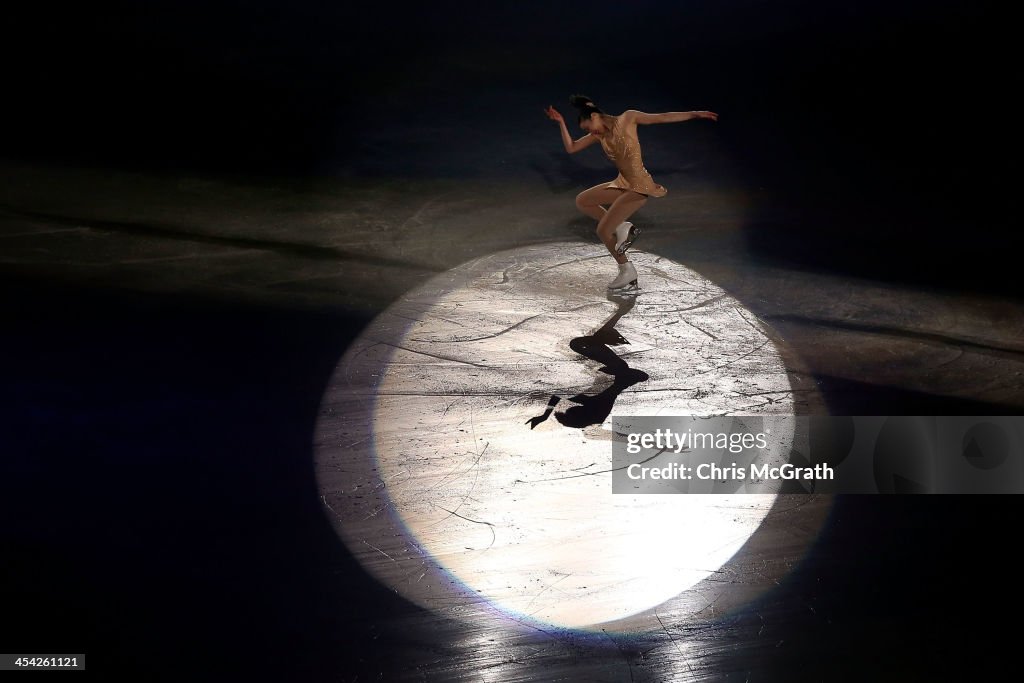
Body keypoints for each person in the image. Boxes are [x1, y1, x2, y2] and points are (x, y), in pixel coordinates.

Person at [544, 95, 718, 290]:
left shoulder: (628, 118)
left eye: (588, 126)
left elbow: (662, 117)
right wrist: (560, 122)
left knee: (602, 230)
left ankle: (626, 270)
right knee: (583, 200)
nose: (590, 131)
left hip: (640, 186)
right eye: (587, 130)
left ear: (595, 116)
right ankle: (621, 227)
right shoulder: (599, 135)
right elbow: (572, 147)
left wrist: (695, 114)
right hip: (624, 182)